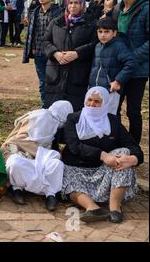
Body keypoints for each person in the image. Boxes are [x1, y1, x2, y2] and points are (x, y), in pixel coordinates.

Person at [61, 87, 144, 223]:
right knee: (69, 185)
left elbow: (134, 147)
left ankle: (115, 208)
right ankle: (93, 209)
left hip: (102, 172)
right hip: (76, 170)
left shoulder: (113, 121)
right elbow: (75, 146)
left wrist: (133, 159)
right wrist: (103, 155)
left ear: (105, 103)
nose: (92, 104)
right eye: (89, 100)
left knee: (123, 153)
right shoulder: (74, 119)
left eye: (97, 101)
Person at [1, 101, 73, 211]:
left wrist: (42, 154)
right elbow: (20, 142)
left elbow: (44, 146)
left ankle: (50, 194)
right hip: (18, 152)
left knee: (56, 164)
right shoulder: (42, 117)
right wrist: (40, 153)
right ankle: (16, 188)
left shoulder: (53, 123)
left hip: (38, 156)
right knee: (15, 163)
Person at [42, 0, 98, 111]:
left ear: (83, 4)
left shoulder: (90, 23)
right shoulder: (56, 22)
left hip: (77, 76)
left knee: (72, 114)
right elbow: (45, 41)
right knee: (52, 113)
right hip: (55, 75)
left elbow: (95, 44)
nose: (73, 6)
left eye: (77, 3)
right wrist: (55, 53)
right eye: (70, 3)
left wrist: (77, 53)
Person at [114, 0, 149, 145]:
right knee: (114, 108)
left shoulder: (146, 9)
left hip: (138, 70)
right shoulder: (116, 9)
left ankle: (133, 146)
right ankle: (118, 141)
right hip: (118, 69)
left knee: (133, 110)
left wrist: (131, 58)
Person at [23, 0, 64, 106]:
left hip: (53, 54)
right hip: (39, 53)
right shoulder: (35, 12)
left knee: (54, 81)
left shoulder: (59, 12)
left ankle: (54, 107)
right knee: (42, 82)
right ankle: (45, 107)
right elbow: (32, 32)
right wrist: (33, 49)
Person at [88, 17, 137, 114]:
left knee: (108, 119)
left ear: (114, 33)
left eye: (107, 32)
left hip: (110, 91)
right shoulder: (97, 46)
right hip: (94, 90)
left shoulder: (119, 46)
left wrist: (118, 81)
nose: (103, 35)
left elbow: (131, 63)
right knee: (93, 116)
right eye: (100, 31)